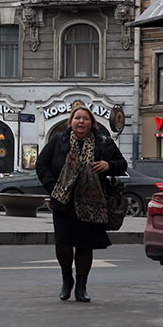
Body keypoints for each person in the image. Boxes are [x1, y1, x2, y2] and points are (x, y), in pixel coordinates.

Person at [36, 104, 128, 303]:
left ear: (91, 123)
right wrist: (53, 187)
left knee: (85, 246)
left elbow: (122, 165)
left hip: (92, 203)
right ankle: (67, 280)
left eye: (85, 119)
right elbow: (41, 165)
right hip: (63, 201)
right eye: (77, 118)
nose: (81, 122)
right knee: (63, 244)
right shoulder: (58, 140)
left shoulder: (103, 143)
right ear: (71, 121)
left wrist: (108, 165)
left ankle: (81, 286)